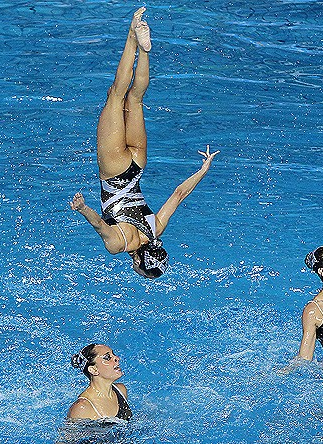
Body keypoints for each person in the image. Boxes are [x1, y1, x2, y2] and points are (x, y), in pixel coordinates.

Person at [70, 7, 219, 279]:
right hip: (114, 169)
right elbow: (99, 226)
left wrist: (203, 170)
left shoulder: (156, 229)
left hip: (137, 165)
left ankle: (145, 50)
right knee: (116, 95)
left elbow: (179, 194)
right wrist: (82, 209)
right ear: (139, 262)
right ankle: (132, 36)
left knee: (135, 99)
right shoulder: (119, 244)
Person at [68, 344, 132, 421]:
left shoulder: (121, 390)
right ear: (94, 370)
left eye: (114, 354)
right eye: (107, 357)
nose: (117, 358)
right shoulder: (82, 407)